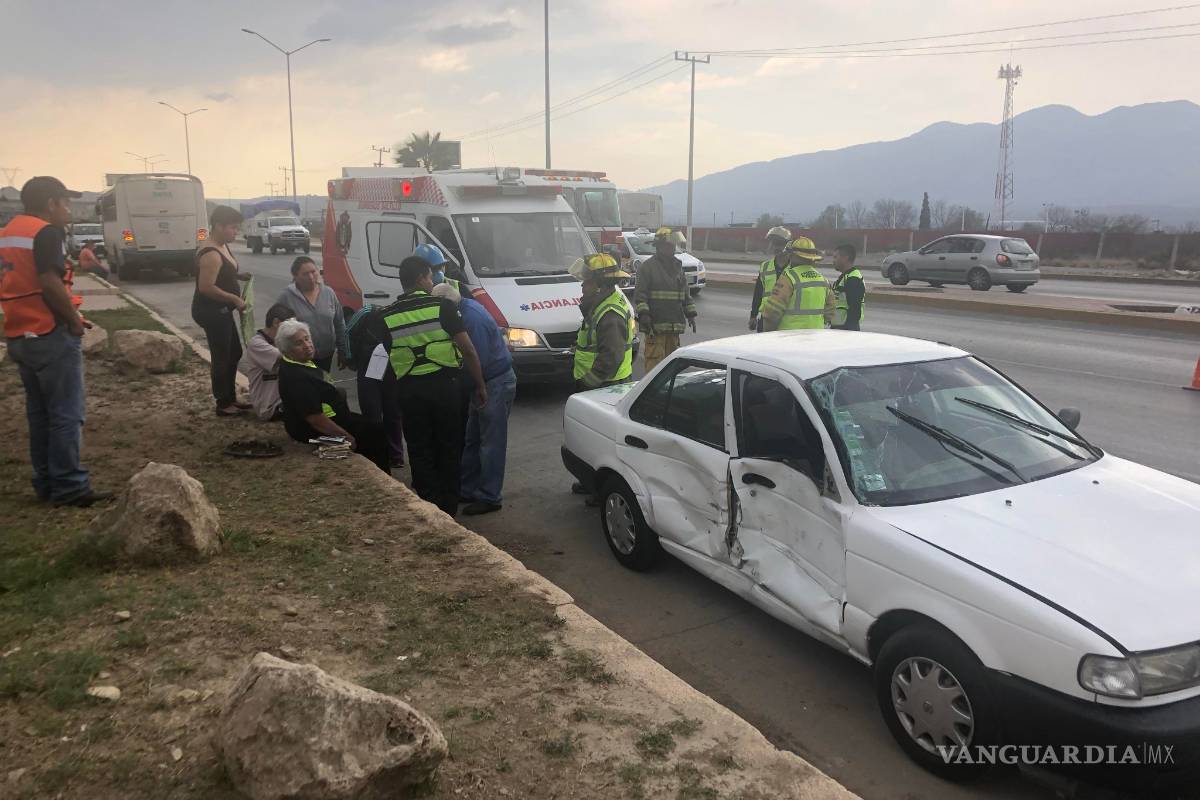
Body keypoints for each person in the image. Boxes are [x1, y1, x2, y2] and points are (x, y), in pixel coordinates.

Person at [0, 176, 112, 507]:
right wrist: (74, 322)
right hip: (49, 332)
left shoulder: (8, 232)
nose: (68, 210)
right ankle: (70, 486)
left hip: (20, 333)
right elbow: (50, 282)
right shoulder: (45, 232)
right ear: (51, 203)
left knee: (40, 414)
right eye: (65, 202)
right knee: (66, 413)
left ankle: (46, 481)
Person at [375, 255, 487, 516]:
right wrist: (480, 384)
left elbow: (386, 358)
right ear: (419, 279)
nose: (431, 281)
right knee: (449, 446)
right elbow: (468, 350)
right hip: (445, 389)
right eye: (428, 276)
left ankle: (429, 506)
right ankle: (448, 509)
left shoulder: (386, 316)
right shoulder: (442, 308)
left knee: (419, 447)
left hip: (409, 392)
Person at [432, 281, 516, 516]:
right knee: (473, 439)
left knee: (491, 443)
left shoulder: (471, 319)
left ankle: (490, 496)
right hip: (486, 382)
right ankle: (467, 488)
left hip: (493, 382)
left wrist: (476, 387)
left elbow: (474, 358)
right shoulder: (462, 309)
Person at [275, 319, 390, 472]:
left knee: (375, 428)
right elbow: (315, 419)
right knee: (373, 436)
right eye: (298, 343)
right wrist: (346, 436)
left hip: (333, 417)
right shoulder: (297, 378)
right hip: (311, 432)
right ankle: (380, 476)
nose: (307, 345)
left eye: (307, 339)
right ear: (288, 351)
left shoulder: (299, 362)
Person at [192, 205, 250, 416]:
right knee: (222, 356)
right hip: (212, 311)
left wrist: (238, 276)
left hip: (222, 310)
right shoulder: (211, 253)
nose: (236, 232)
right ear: (218, 226)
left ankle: (231, 397)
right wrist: (234, 298)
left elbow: (223, 274)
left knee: (234, 352)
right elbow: (206, 287)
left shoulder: (222, 245)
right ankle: (223, 403)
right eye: (233, 228)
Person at [344, 301, 405, 468]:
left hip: (373, 368)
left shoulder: (365, 311)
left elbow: (347, 332)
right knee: (387, 413)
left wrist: (350, 360)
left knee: (378, 413)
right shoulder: (385, 312)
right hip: (385, 368)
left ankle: (386, 454)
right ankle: (390, 454)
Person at [633, 226, 696, 372]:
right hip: (655, 328)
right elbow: (640, 295)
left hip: (674, 327)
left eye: (673, 246)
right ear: (660, 246)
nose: (673, 249)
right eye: (669, 245)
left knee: (669, 368)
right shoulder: (647, 267)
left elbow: (685, 293)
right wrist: (644, 315)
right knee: (654, 366)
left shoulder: (677, 267)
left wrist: (690, 314)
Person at [572, 253, 635, 391]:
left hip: (606, 386)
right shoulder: (605, 301)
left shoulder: (610, 314)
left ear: (600, 285)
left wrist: (588, 382)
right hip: (607, 383)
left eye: (587, 281)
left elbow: (611, 356)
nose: (583, 285)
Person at [274, 255, 346, 373]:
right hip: (300, 358)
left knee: (323, 385)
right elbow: (277, 328)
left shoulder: (328, 293)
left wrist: (343, 350)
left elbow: (339, 323)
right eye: (305, 274)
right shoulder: (286, 296)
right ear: (295, 276)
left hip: (326, 355)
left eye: (313, 272)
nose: (311, 277)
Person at [760, 236, 835, 331]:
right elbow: (830, 313)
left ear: (792, 255)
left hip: (790, 337)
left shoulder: (788, 278)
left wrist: (769, 336)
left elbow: (772, 313)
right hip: (816, 337)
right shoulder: (824, 281)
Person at [242, 303, 295, 421]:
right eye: (290, 326)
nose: (293, 331)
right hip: (270, 407)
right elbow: (291, 356)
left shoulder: (280, 341)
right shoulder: (257, 344)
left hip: (284, 399)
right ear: (276, 323)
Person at [749, 226, 792, 331]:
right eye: (773, 243)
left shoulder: (795, 267)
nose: (775, 247)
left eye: (779, 243)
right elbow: (758, 292)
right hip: (766, 318)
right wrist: (753, 316)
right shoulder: (765, 266)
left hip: (787, 319)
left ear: (788, 244)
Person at [830, 243, 866, 331]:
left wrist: (849, 333)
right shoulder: (845, 277)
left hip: (846, 330)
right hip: (839, 328)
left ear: (845, 258)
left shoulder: (853, 279)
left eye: (835, 257)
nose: (833, 261)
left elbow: (855, 309)